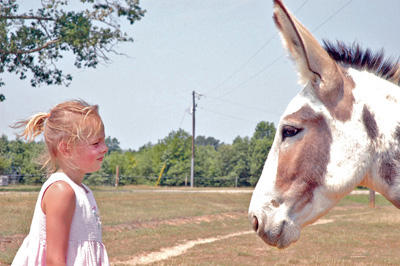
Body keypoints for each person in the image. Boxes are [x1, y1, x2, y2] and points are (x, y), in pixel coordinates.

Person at [11, 100, 109, 266]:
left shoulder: (82, 190)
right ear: (66, 149)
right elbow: (54, 260)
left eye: (103, 141)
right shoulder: (61, 191)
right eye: (95, 143)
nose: (105, 148)